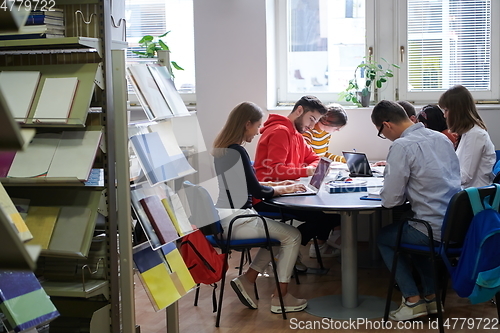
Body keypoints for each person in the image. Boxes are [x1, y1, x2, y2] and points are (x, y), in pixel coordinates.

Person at [212, 101, 308, 314]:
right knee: (293, 236)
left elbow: (250, 183)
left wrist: (279, 185)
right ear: (247, 124)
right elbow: (256, 191)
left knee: (276, 241)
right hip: (238, 220)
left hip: (227, 217)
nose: (257, 132)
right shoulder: (237, 151)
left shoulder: (225, 150)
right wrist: (286, 190)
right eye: (256, 126)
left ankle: (247, 280)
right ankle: (281, 298)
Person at [372, 100, 461, 321]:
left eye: (381, 133)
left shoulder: (401, 146)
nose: (386, 137)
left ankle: (412, 300)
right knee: (412, 231)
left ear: (387, 125)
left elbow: (391, 201)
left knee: (384, 238)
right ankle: (431, 298)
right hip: (455, 225)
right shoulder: (441, 138)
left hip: (431, 228)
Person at [252, 96, 340, 268]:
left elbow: (315, 158)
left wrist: (313, 168)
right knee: (324, 218)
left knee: (330, 216)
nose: (312, 126)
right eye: (311, 119)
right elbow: (275, 170)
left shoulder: (296, 135)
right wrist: (306, 171)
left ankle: (286, 253)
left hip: (287, 191)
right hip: (267, 196)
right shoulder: (280, 131)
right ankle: (285, 252)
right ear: (299, 110)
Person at [302, 103, 347, 255]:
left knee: (336, 205)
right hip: (308, 178)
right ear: (326, 122)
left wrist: (343, 160)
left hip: (319, 174)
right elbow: (306, 158)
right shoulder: (308, 133)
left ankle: (325, 243)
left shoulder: (326, 134)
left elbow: (325, 155)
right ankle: (321, 245)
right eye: (336, 127)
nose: (337, 131)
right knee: (327, 210)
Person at [438, 85, 496, 188]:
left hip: (474, 197)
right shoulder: (467, 133)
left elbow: (465, 177)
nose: (445, 115)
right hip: (466, 192)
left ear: (457, 111)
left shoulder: (476, 135)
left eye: (446, 110)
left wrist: (436, 177)